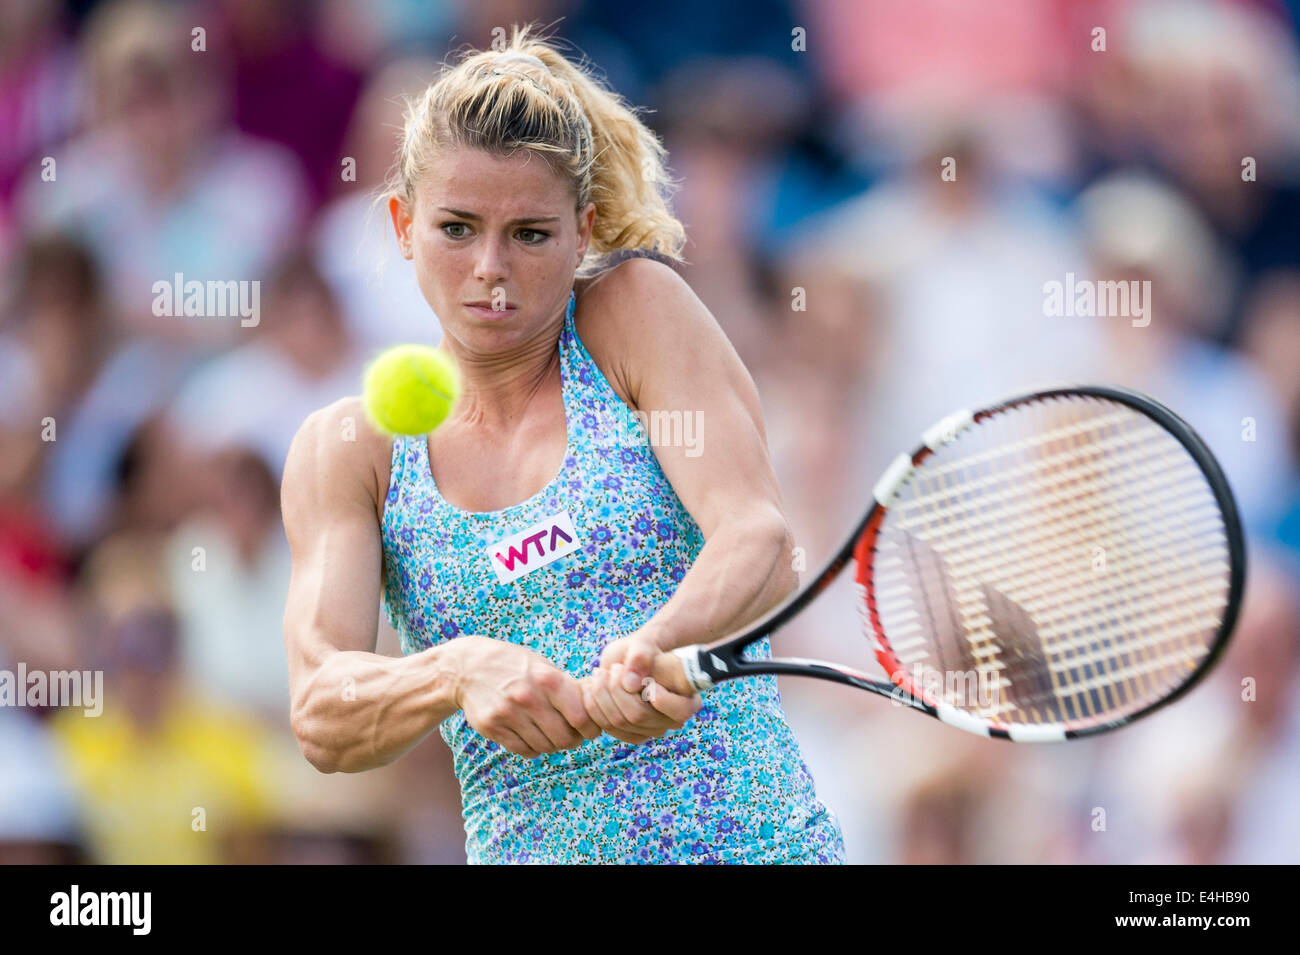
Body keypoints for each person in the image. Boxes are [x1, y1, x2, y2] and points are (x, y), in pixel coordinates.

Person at [280, 25, 845, 864]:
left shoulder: (635, 311)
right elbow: (323, 713)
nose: (491, 268)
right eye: (458, 228)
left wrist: (657, 645)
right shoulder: (349, 448)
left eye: (531, 234)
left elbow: (759, 540)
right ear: (403, 225)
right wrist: (453, 671)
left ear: (583, 231)